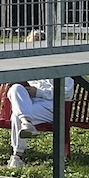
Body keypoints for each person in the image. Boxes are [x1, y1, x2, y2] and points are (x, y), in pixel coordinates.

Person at [6, 33, 71, 169]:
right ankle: (26, 122)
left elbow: (67, 91)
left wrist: (39, 92)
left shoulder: (61, 65)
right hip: (32, 104)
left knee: (16, 115)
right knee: (16, 88)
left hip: (53, 106)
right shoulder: (31, 67)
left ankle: (17, 156)